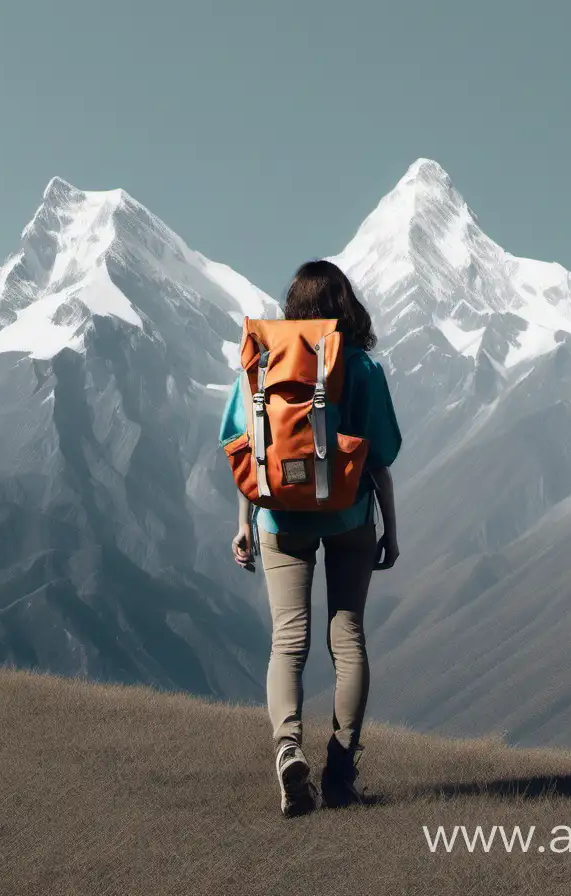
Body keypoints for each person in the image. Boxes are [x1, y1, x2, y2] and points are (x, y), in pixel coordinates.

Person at [219, 259, 402, 818]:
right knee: (346, 639)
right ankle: (342, 770)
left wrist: (244, 524)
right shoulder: (361, 367)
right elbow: (380, 458)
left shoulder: (263, 364)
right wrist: (390, 531)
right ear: (347, 307)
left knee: (288, 640)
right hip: (348, 518)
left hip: (280, 519)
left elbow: (247, 451)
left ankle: (287, 748)